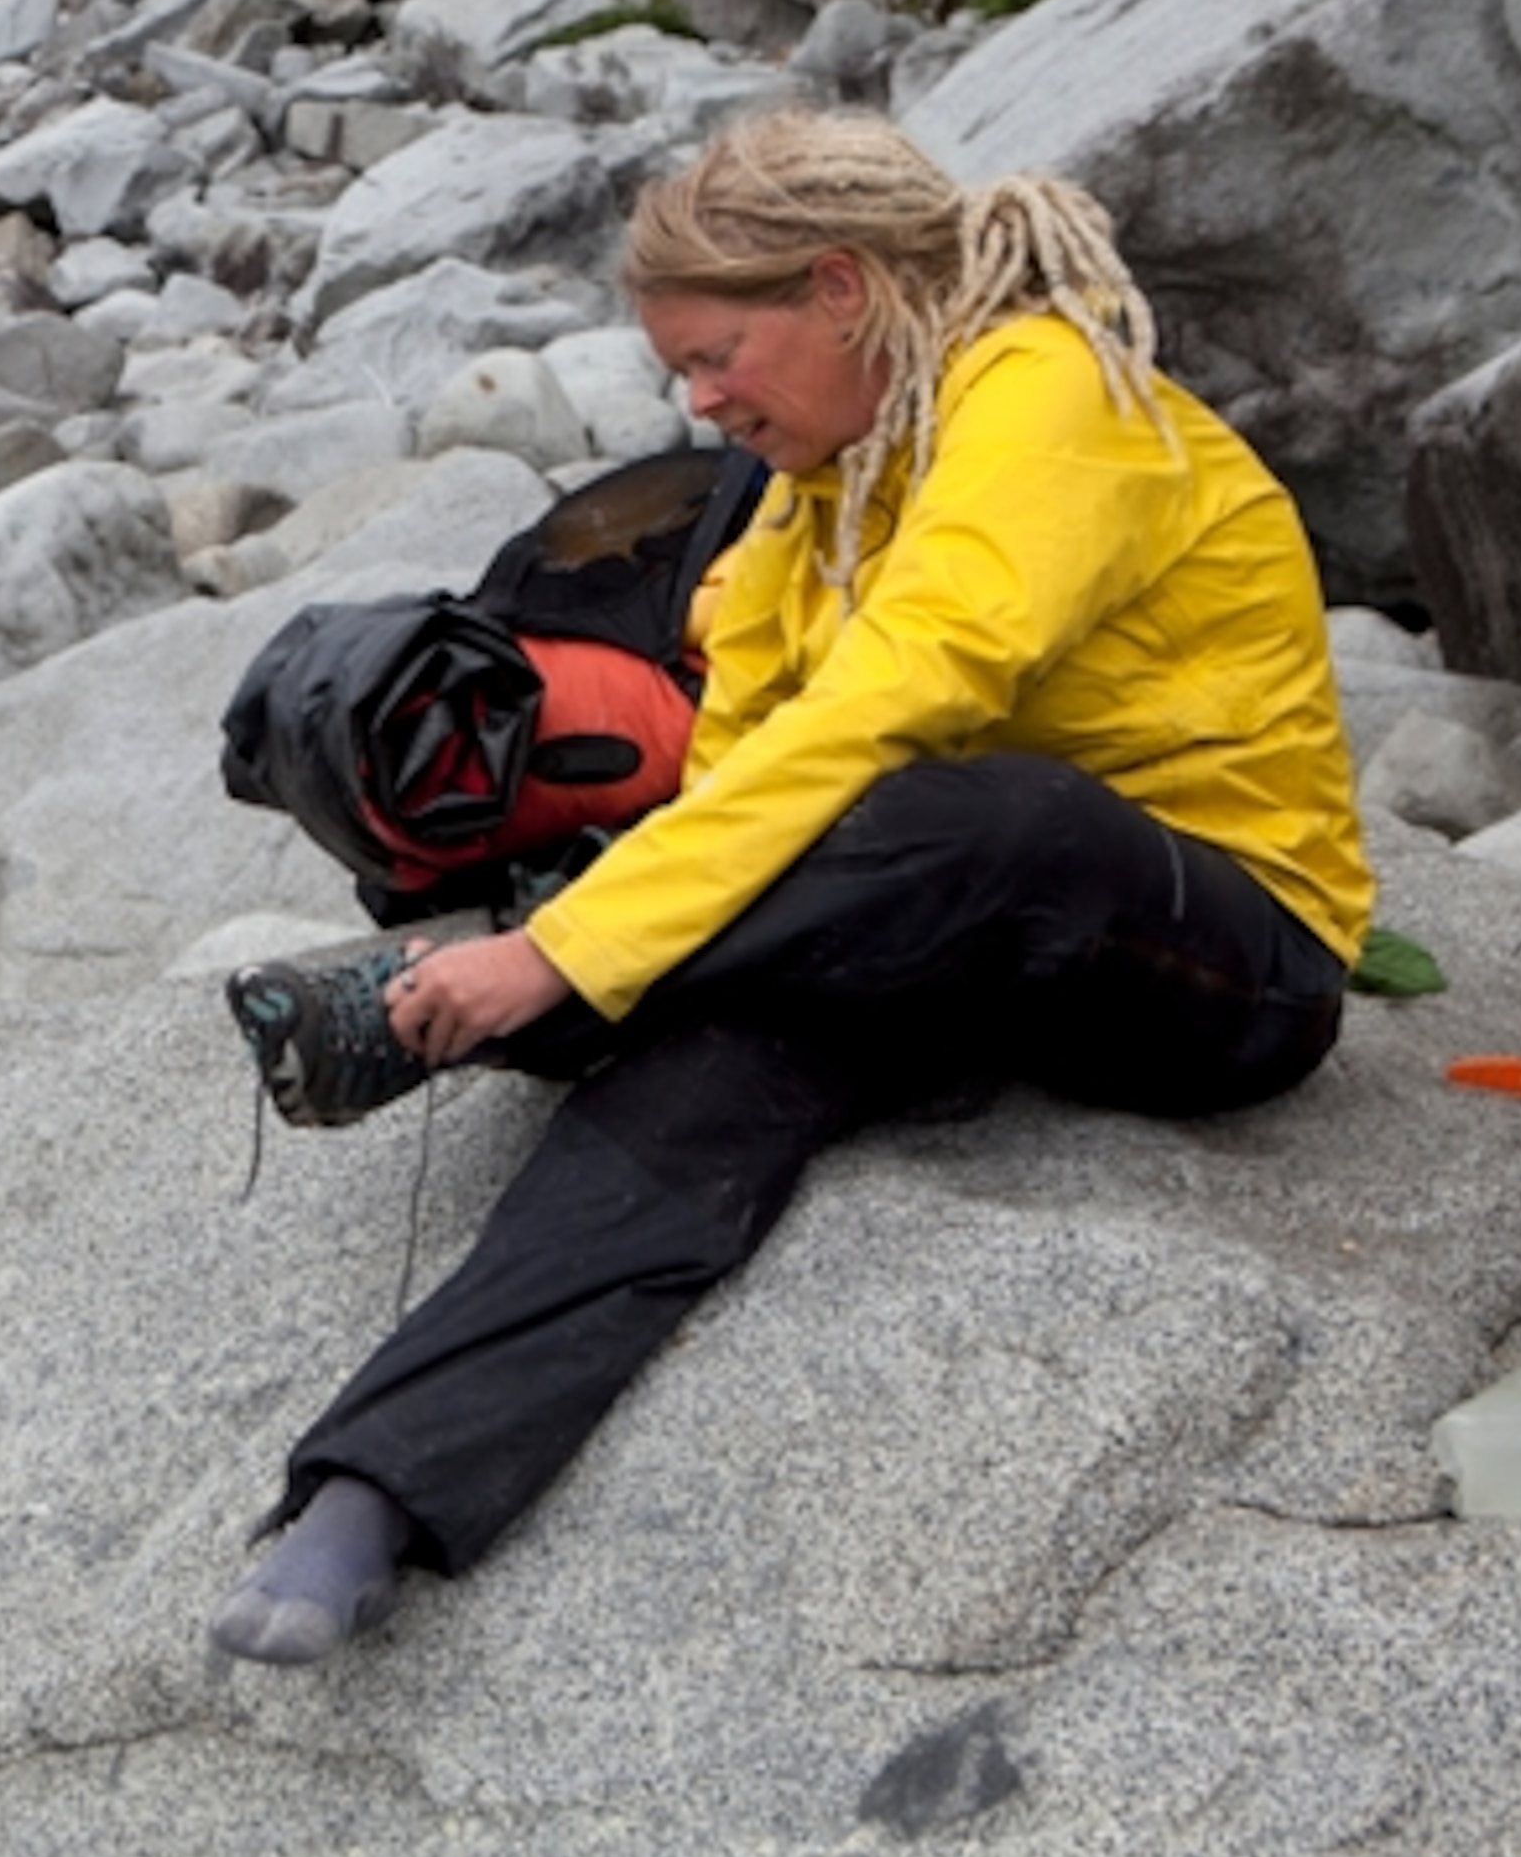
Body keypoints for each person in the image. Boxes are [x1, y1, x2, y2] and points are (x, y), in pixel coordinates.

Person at [208, 107, 1375, 1668]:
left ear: (840, 287)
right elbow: (748, 767)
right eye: (679, 374)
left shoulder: (1043, 396)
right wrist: (627, 942)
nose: (699, 402)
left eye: (715, 356)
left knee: (985, 815)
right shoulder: (805, 493)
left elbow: (906, 691)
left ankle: (510, 1001)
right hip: (949, 941)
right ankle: (366, 1501)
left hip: (1218, 954)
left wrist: (561, 950)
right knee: (715, 1063)